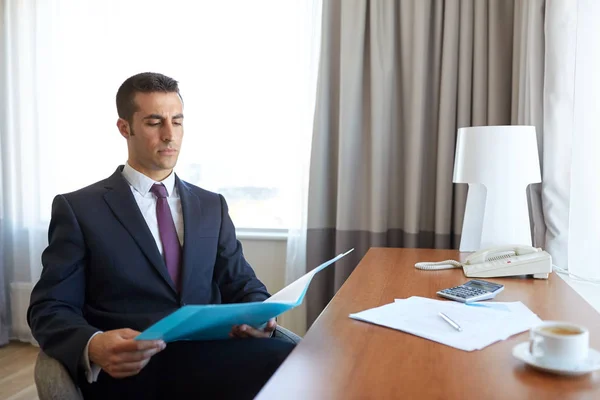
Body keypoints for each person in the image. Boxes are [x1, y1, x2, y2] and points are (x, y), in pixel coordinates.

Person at [27, 72, 295, 399]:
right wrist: (94, 344)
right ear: (125, 128)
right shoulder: (79, 209)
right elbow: (49, 307)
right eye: (155, 122)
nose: (170, 135)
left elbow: (241, 282)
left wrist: (259, 312)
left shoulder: (212, 205)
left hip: (211, 355)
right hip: (133, 370)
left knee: (298, 363)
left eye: (177, 121)